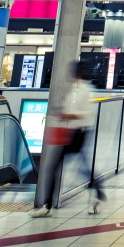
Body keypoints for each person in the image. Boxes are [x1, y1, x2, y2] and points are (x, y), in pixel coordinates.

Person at [33, 61, 104, 216]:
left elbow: (87, 113)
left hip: (80, 132)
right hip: (71, 132)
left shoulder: (86, 90)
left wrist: (69, 115)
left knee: (54, 166)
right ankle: (98, 190)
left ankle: (47, 206)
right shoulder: (74, 90)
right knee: (80, 167)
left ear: (77, 73)